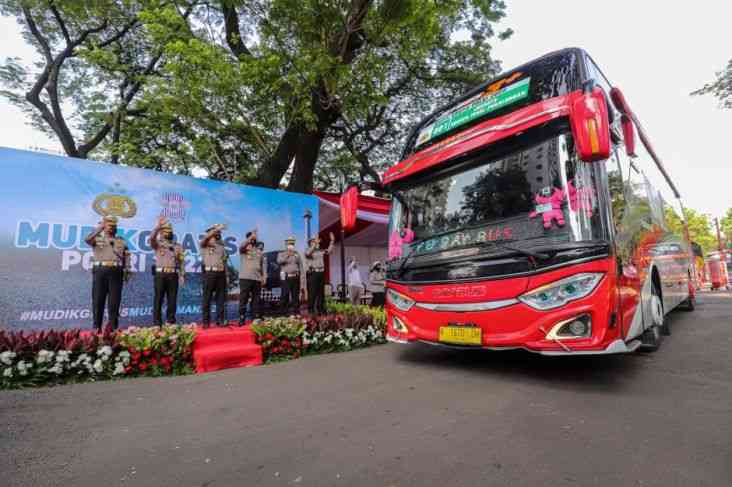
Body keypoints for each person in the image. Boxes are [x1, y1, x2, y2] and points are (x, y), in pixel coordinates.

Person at [83, 215, 130, 331]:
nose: (111, 228)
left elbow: (126, 256)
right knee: (98, 301)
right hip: (100, 271)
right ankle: (96, 328)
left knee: (114, 302)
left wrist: (127, 270)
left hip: (116, 272)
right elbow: (87, 239)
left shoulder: (121, 240)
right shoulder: (97, 238)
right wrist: (100, 227)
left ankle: (113, 329)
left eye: (113, 226)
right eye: (109, 225)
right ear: (104, 226)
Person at [150, 216, 185, 326]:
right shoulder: (158, 244)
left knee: (172, 300)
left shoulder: (178, 246)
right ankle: (157, 323)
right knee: (158, 299)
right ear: (161, 232)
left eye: (170, 231)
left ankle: (171, 322)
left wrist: (182, 275)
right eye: (165, 231)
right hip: (160, 274)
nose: (168, 233)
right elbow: (151, 238)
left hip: (173, 275)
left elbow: (181, 262)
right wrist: (157, 227)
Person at [200, 223, 228, 327]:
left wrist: (227, 275)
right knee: (207, 298)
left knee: (220, 298)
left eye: (219, 233)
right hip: (209, 273)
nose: (218, 234)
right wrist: (215, 229)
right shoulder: (204, 244)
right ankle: (206, 322)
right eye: (216, 233)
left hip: (221, 273)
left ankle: (220, 320)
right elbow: (205, 238)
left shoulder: (221, 246)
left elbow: (224, 262)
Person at [239, 230, 267, 325]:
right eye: (252, 238)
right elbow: (242, 245)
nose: (254, 239)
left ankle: (255, 317)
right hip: (245, 278)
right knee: (244, 299)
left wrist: (264, 277)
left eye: (255, 238)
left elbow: (263, 265)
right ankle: (242, 317)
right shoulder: (244, 249)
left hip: (257, 278)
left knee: (256, 300)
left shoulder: (259, 251)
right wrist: (251, 237)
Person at [305, 232, 335, 315]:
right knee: (312, 293)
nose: (317, 243)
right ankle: (311, 310)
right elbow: (308, 254)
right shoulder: (308, 250)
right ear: (311, 243)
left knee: (321, 293)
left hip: (321, 273)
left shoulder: (320, 251)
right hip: (313, 274)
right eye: (314, 241)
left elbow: (329, 251)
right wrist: (315, 244)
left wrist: (332, 241)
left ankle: (321, 309)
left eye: (316, 241)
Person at [277, 236, 305, 315]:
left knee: (295, 297)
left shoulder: (297, 254)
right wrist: (287, 255)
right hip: (286, 278)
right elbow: (279, 261)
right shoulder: (281, 253)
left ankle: (296, 313)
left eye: (292, 243)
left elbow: (301, 267)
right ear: (286, 244)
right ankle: (283, 313)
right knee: (284, 296)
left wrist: (302, 280)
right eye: (289, 243)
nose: (291, 245)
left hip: (296, 277)